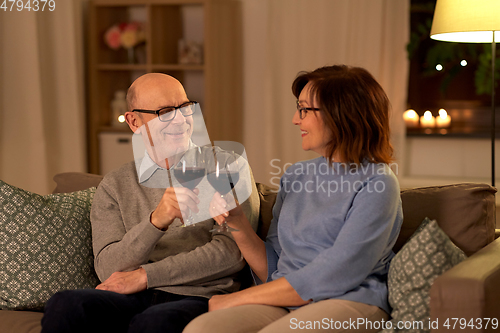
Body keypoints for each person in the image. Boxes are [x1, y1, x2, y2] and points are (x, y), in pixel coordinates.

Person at [183, 65, 403, 333]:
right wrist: (236, 219)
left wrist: (237, 298)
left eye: (304, 110)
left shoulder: (378, 183)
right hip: (286, 300)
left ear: (341, 114)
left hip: (349, 299)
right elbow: (274, 268)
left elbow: (338, 273)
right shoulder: (296, 176)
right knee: (202, 329)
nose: (295, 120)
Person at [41, 73, 260, 333]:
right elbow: (108, 267)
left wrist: (145, 276)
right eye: (165, 111)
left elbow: (232, 254)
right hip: (129, 297)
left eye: (185, 107)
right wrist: (156, 222)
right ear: (134, 121)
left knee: (156, 322)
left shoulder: (227, 166)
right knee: (65, 304)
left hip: (199, 296)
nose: (180, 119)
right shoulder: (115, 185)